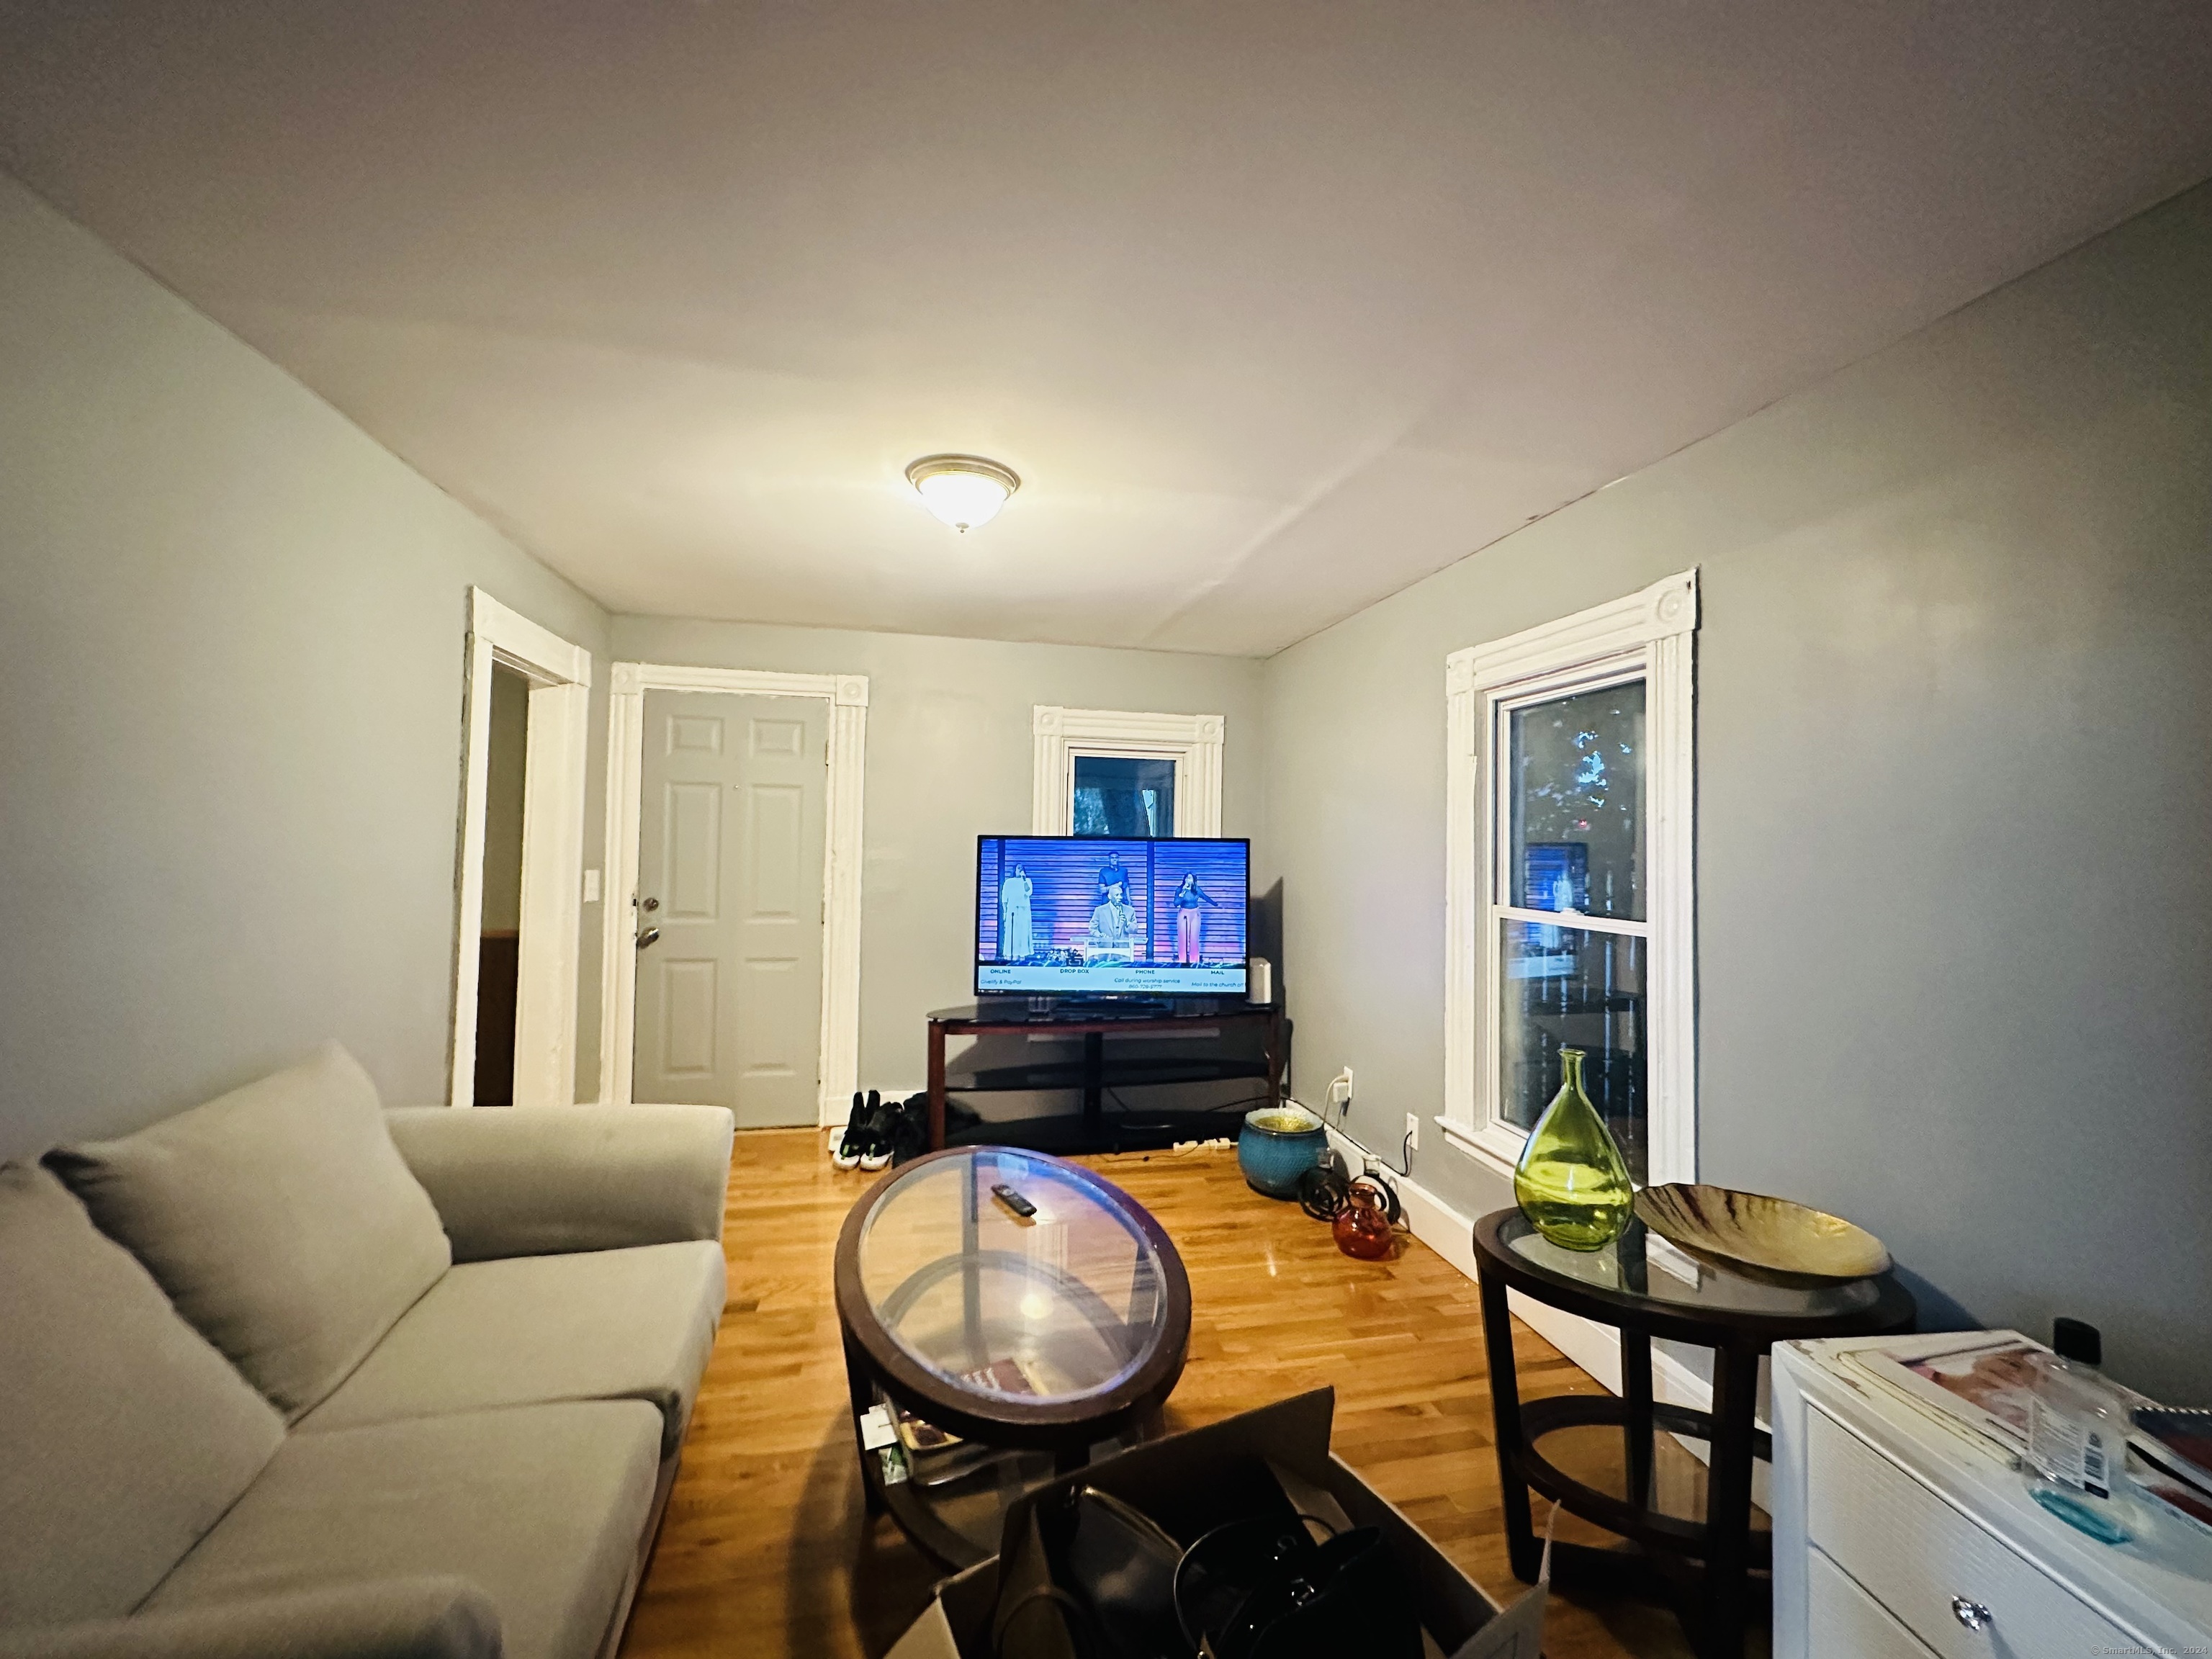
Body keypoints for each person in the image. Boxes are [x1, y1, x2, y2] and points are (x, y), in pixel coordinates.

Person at [1172, 871, 1218, 964]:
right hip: (1183, 913)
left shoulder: (1197, 890)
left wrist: (1215, 904)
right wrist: (1182, 894)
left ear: (1193, 881)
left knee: (1194, 938)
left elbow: (1206, 897)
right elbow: (1175, 904)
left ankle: (1194, 960)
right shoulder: (1180, 889)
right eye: (1186, 878)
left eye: (1190, 878)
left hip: (1195, 914)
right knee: (1182, 938)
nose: (1187, 880)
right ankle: (1182, 960)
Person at [997, 863, 1033, 961]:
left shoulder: (1027, 881)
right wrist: (1005, 912)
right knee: (1012, 932)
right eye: (1018, 868)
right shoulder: (1009, 882)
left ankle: (1023, 955)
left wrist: (1024, 879)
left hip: (1024, 910)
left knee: (1023, 932)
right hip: (1012, 910)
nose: (1020, 870)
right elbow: (1004, 898)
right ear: (1014, 870)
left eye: (1021, 869)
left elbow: (1028, 892)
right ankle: (1010, 955)